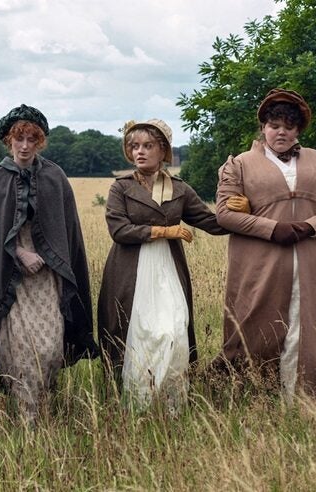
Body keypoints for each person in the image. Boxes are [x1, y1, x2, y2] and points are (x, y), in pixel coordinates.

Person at [212, 88, 316, 400]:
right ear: (263, 127)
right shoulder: (239, 165)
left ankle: (306, 399)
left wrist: (309, 226)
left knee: (312, 325)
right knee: (256, 322)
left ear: (298, 130)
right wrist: (272, 229)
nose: (281, 132)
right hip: (261, 263)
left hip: (313, 260)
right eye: (275, 126)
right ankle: (255, 396)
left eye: (289, 127)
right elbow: (223, 214)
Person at [96, 119, 239, 413]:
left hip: (168, 271)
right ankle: (137, 406)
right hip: (130, 272)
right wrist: (163, 231)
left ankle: (172, 407)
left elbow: (210, 222)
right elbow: (118, 230)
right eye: (134, 146)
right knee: (140, 334)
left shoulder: (180, 189)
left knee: (174, 331)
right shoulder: (120, 187)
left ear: (163, 150)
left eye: (148, 146)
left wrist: (239, 211)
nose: (140, 152)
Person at [0, 104, 96, 422]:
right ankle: (27, 419)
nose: (25, 145)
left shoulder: (54, 176)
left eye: (32, 139)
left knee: (50, 347)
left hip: (48, 278)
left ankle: (43, 408)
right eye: (19, 139)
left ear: (40, 141)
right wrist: (18, 252)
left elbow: (67, 232)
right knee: (19, 349)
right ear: (9, 141)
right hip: (10, 279)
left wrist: (50, 256)